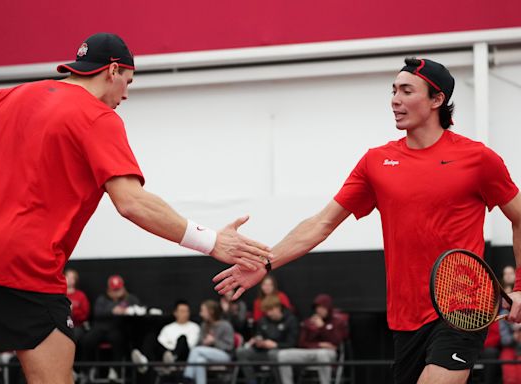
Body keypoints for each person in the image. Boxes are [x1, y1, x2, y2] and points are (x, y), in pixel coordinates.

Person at [0, 32, 272, 384]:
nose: (126, 94)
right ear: (113, 70)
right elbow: (132, 203)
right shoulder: (97, 117)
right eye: (127, 82)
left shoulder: (7, 97)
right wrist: (211, 241)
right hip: (25, 265)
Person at [214, 57, 521, 384]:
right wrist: (265, 263)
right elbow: (322, 224)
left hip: (462, 308)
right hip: (405, 318)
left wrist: (520, 287)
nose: (395, 100)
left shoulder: (478, 159)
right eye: (393, 90)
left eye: (406, 91)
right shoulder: (377, 162)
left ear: (437, 100)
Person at [277, 294, 347, 384]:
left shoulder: (337, 322)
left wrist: (322, 327)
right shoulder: (309, 322)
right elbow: (301, 343)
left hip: (327, 353)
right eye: (317, 308)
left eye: (322, 308)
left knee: (323, 354)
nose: (319, 310)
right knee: (282, 355)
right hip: (309, 352)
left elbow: (336, 341)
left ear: (328, 308)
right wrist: (318, 344)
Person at [236, 295, 299, 384]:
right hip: (263, 352)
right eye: (267, 311)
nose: (269, 313)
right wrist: (257, 342)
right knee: (241, 352)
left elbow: (293, 343)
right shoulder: (263, 321)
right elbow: (258, 335)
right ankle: (252, 381)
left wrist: (276, 345)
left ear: (278, 308)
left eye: (271, 310)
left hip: (282, 352)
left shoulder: (291, 320)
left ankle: (279, 382)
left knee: (273, 354)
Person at [131, 299, 200, 374]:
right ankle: (143, 362)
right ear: (175, 313)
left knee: (182, 338)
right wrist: (167, 352)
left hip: (182, 355)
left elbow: (191, 344)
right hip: (165, 354)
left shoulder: (194, 327)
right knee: (151, 337)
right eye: (182, 311)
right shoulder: (168, 327)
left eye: (187, 311)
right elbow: (161, 341)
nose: (185, 314)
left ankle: (172, 360)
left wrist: (172, 349)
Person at [183, 300, 234, 384]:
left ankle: (187, 378)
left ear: (211, 312)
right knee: (199, 361)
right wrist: (204, 342)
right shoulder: (204, 325)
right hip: (206, 355)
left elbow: (229, 347)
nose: (200, 313)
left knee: (196, 350)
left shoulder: (225, 325)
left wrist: (214, 341)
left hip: (224, 355)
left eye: (202, 311)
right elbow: (199, 344)